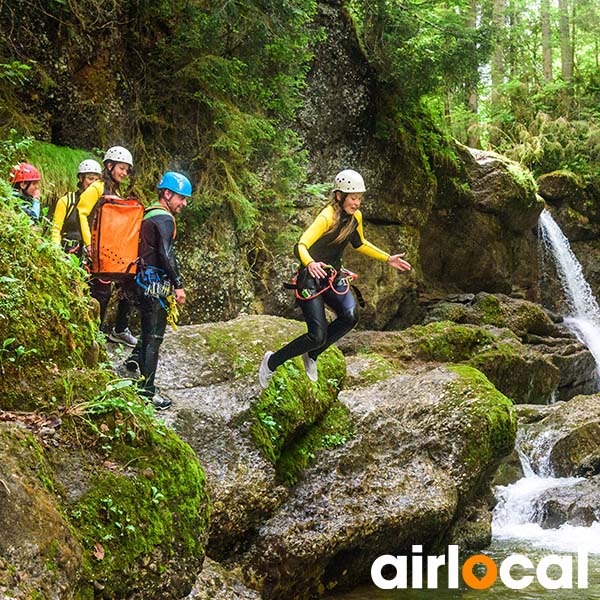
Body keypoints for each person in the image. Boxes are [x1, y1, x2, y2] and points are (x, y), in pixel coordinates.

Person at [258, 168, 412, 389]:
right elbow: (301, 244)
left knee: (350, 316)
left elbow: (360, 244)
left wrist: (387, 259)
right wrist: (310, 263)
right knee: (317, 335)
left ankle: (312, 355)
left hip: (333, 276)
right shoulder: (327, 216)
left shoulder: (355, 218)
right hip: (310, 279)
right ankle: (271, 362)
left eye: (359, 198)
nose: (357, 203)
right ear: (340, 196)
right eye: (353, 198)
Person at [129, 171, 190, 410]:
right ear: (167, 194)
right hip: (155, 284)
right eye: (181, 198)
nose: (184, 204)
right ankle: (147, 391)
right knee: (154, 337)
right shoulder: (164, 219)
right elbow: (166, 255)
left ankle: (135, 358)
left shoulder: (148, 214)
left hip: (141, 281)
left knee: (147, 331)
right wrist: (178, 284)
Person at [77, 146, 137, 346]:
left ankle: (112, 330)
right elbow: (82, 212)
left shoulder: (115, 190)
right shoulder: (97, 187)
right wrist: (88, 244)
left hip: (110, 251)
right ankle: (93, 335)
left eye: (127, 169)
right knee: (100, 294)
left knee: (122, 289)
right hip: (95, 250)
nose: (124, 173)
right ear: (109, 166)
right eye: (121, 168)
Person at [51, 159, 102, 258]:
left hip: (92, 256)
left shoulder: (101, 205)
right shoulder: (66, 201)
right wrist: (56, 252)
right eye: (90, 179)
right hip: (68, 254)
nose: (94, 183)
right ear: (81, 178)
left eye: (97, 180)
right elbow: (56, 229)